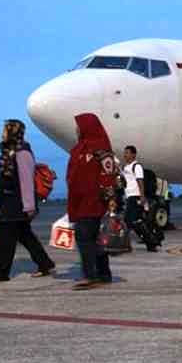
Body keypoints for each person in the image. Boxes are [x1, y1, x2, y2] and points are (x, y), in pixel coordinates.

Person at [0, 121, 55, 283]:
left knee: (5, 237)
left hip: (17, 204)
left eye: (5, 130)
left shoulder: (22, 153)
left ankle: (1, 272)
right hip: (10, 202)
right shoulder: (10, 152)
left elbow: (26, 181)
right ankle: (45, 263)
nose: (2, 133)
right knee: (25, 235)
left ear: (13, 132)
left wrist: (29, 206)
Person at [66, 114, 119, 290]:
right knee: (95, 239)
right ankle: (104, 274)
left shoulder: (101, 150)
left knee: (84, 238)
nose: (76, 129)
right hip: (80, 201)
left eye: (79, 126)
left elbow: (108, 176)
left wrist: (109, 200)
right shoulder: (80, 148)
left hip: (94, 202)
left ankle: (91, 275)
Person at [122, 146, 160, 252]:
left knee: (130, 221)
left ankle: (149, 241)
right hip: (129, 196)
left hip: (136, 196)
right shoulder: (126, 167)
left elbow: (140, 181)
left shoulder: (136, 166)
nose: (125, 155)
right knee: (135, 221)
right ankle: (151, 242)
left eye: (128, 153)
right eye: (125, 153)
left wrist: (142, 196)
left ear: (134, 155)